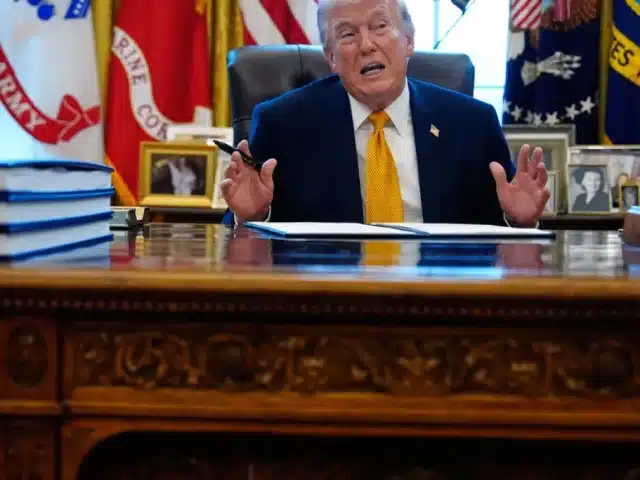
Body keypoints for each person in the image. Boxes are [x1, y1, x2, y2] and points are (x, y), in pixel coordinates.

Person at [220, 0, 550, 227]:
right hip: (329, 298)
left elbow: (497, 234)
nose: (366, 45)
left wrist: (518, 221)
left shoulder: (472, 123)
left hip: (442, 295)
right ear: (331, 58)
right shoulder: (283, 124)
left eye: (379, 26)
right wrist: (252, 216)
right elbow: (240, 234)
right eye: (347, 34)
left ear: (408, 41)